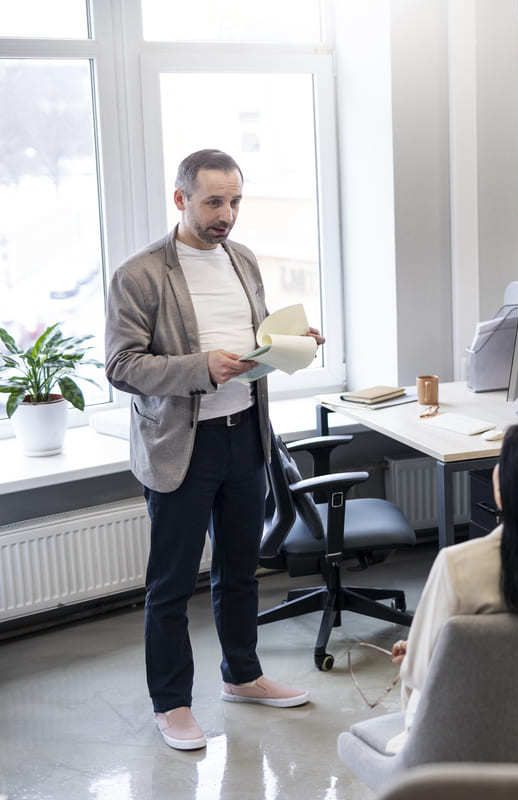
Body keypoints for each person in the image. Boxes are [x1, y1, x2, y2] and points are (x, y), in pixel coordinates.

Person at [104, 149, 324, 750]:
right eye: (213, 203)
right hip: (183, 446)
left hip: (246, 435)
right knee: (171, 584)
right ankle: (172, 703)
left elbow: (252, 341)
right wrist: (201, 367)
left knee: (240, 570)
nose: (226, 215)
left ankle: (242, 675)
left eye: (234, 201)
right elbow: (122, 366)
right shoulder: (141, 273)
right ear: (181, 200)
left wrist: (289, 343)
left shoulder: (244, 259)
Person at [385, 416, 518, 752]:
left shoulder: (458, 565)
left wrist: (417, 651)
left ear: (505, 483)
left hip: (464, 743)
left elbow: (420, 678)